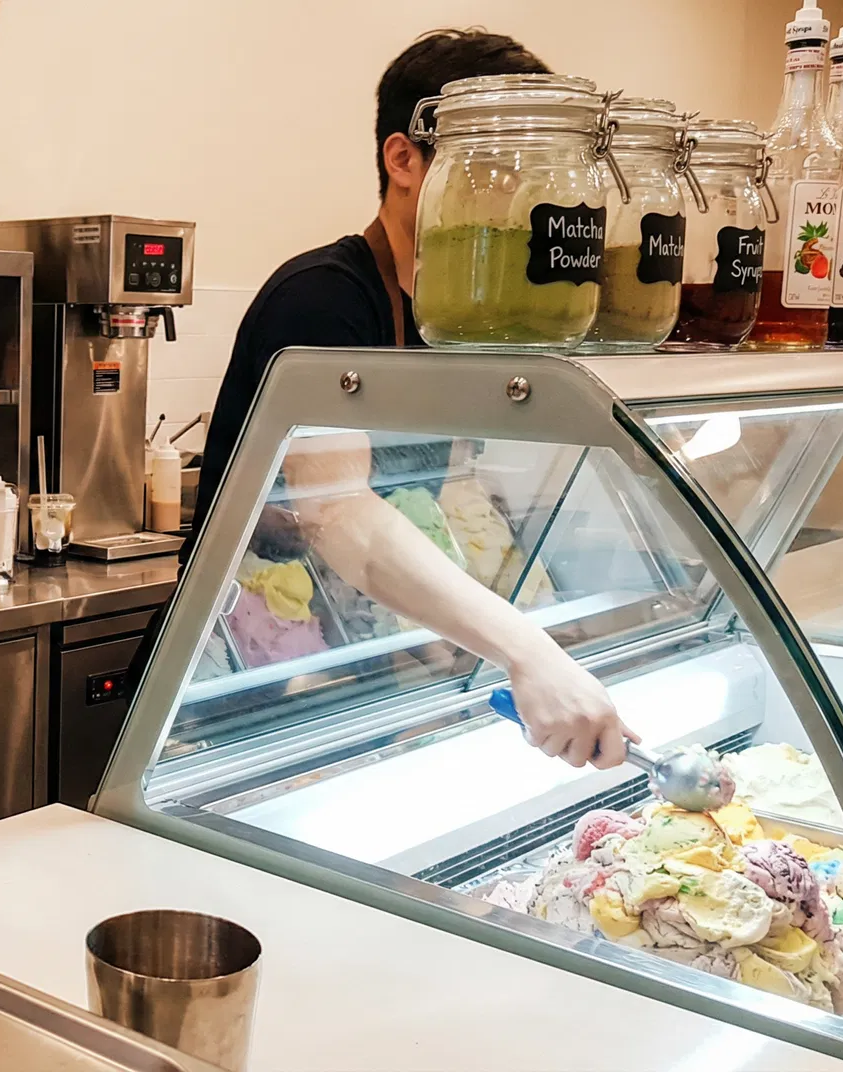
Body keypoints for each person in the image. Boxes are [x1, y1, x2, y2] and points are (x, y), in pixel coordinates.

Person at [190, 30, 639, 770]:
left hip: (365, 675)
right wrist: (526, 651)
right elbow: (337, 513)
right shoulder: (323, 299)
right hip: (252, 691)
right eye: (499, 167)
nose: (527, 197)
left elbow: (440, 500)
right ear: (405, 160)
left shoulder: (463, 321)